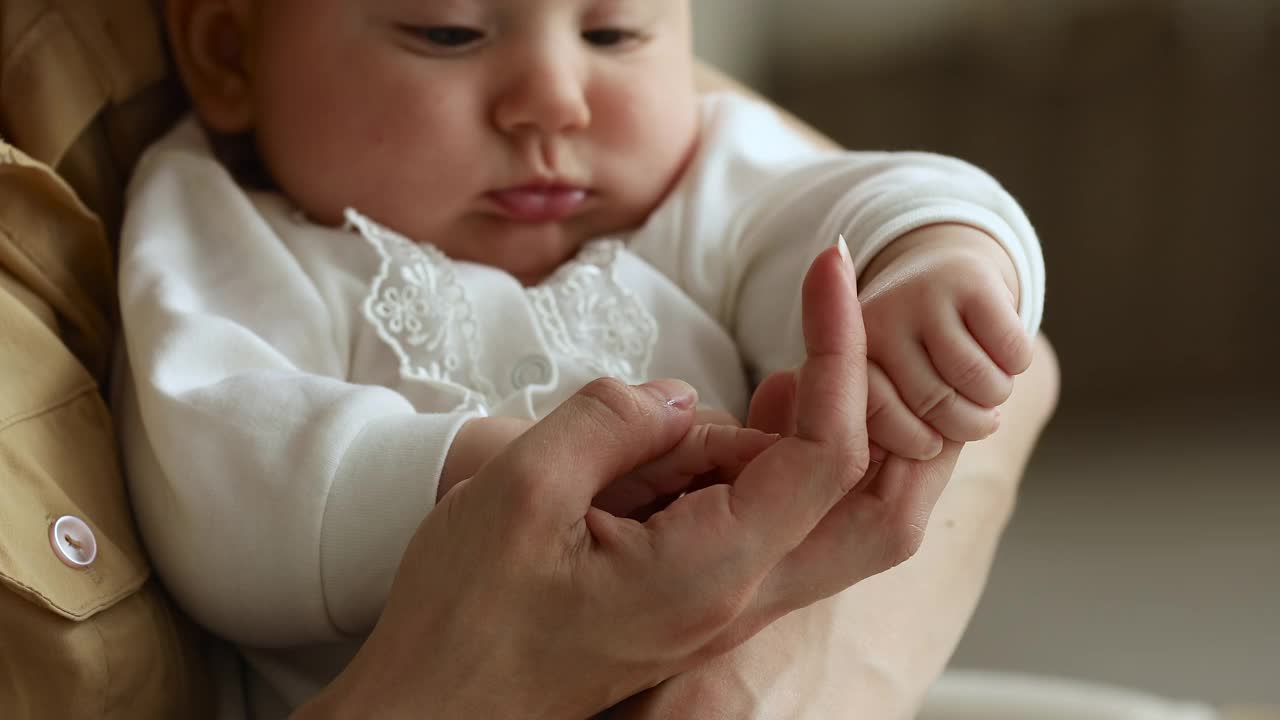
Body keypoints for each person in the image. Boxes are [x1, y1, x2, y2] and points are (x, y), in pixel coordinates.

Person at [112, 0, 1047, 715]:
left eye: (611, 32)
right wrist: (495, 482)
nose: (554, 101)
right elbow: (215, 473)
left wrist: (936, 261)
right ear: (228, 53)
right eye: (448, 31)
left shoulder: (698, 192)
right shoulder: (227, 222)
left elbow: (874, 200)